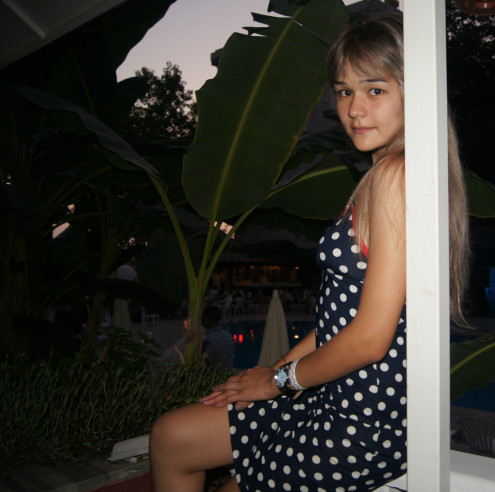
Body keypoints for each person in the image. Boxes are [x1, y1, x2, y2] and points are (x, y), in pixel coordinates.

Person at [149, 12, 470, 492]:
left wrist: (278, 382)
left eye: (375, 89)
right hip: (331, 392)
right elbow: (342, 320)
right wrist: (274, 371)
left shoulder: (395, 177)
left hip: (361, 421)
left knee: (197, 459)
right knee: (173, 438)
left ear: (414, 91)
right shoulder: (391, 175)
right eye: (344, 91)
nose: (354, 109)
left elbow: (370, 339)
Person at [201, 305, 235, 371]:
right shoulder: (228, 336)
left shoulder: (208, 340)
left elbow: (207, 364)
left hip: (216, 375)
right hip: (228, 373)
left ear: (206, 320)